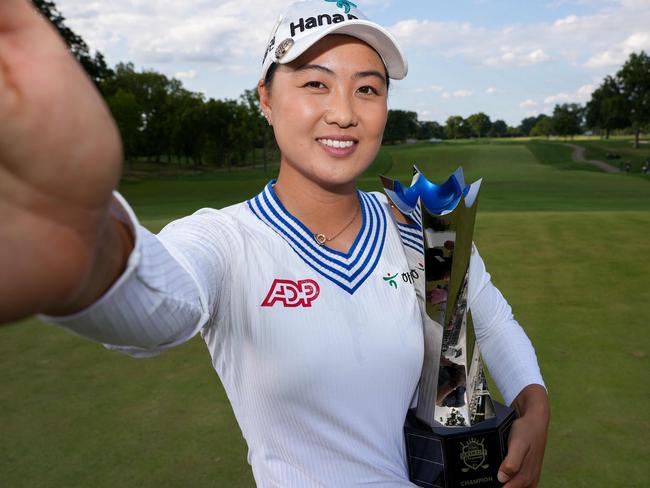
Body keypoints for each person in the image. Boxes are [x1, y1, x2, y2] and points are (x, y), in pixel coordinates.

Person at [0, 0, 550, 486]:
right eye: (315, 83)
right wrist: (85, 244)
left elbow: (493, 321)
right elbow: (157, 308)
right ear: (265, 98)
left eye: (368, 88)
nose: (344, 112)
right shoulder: (225, 238)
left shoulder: (424, 225)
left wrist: (534, 403)